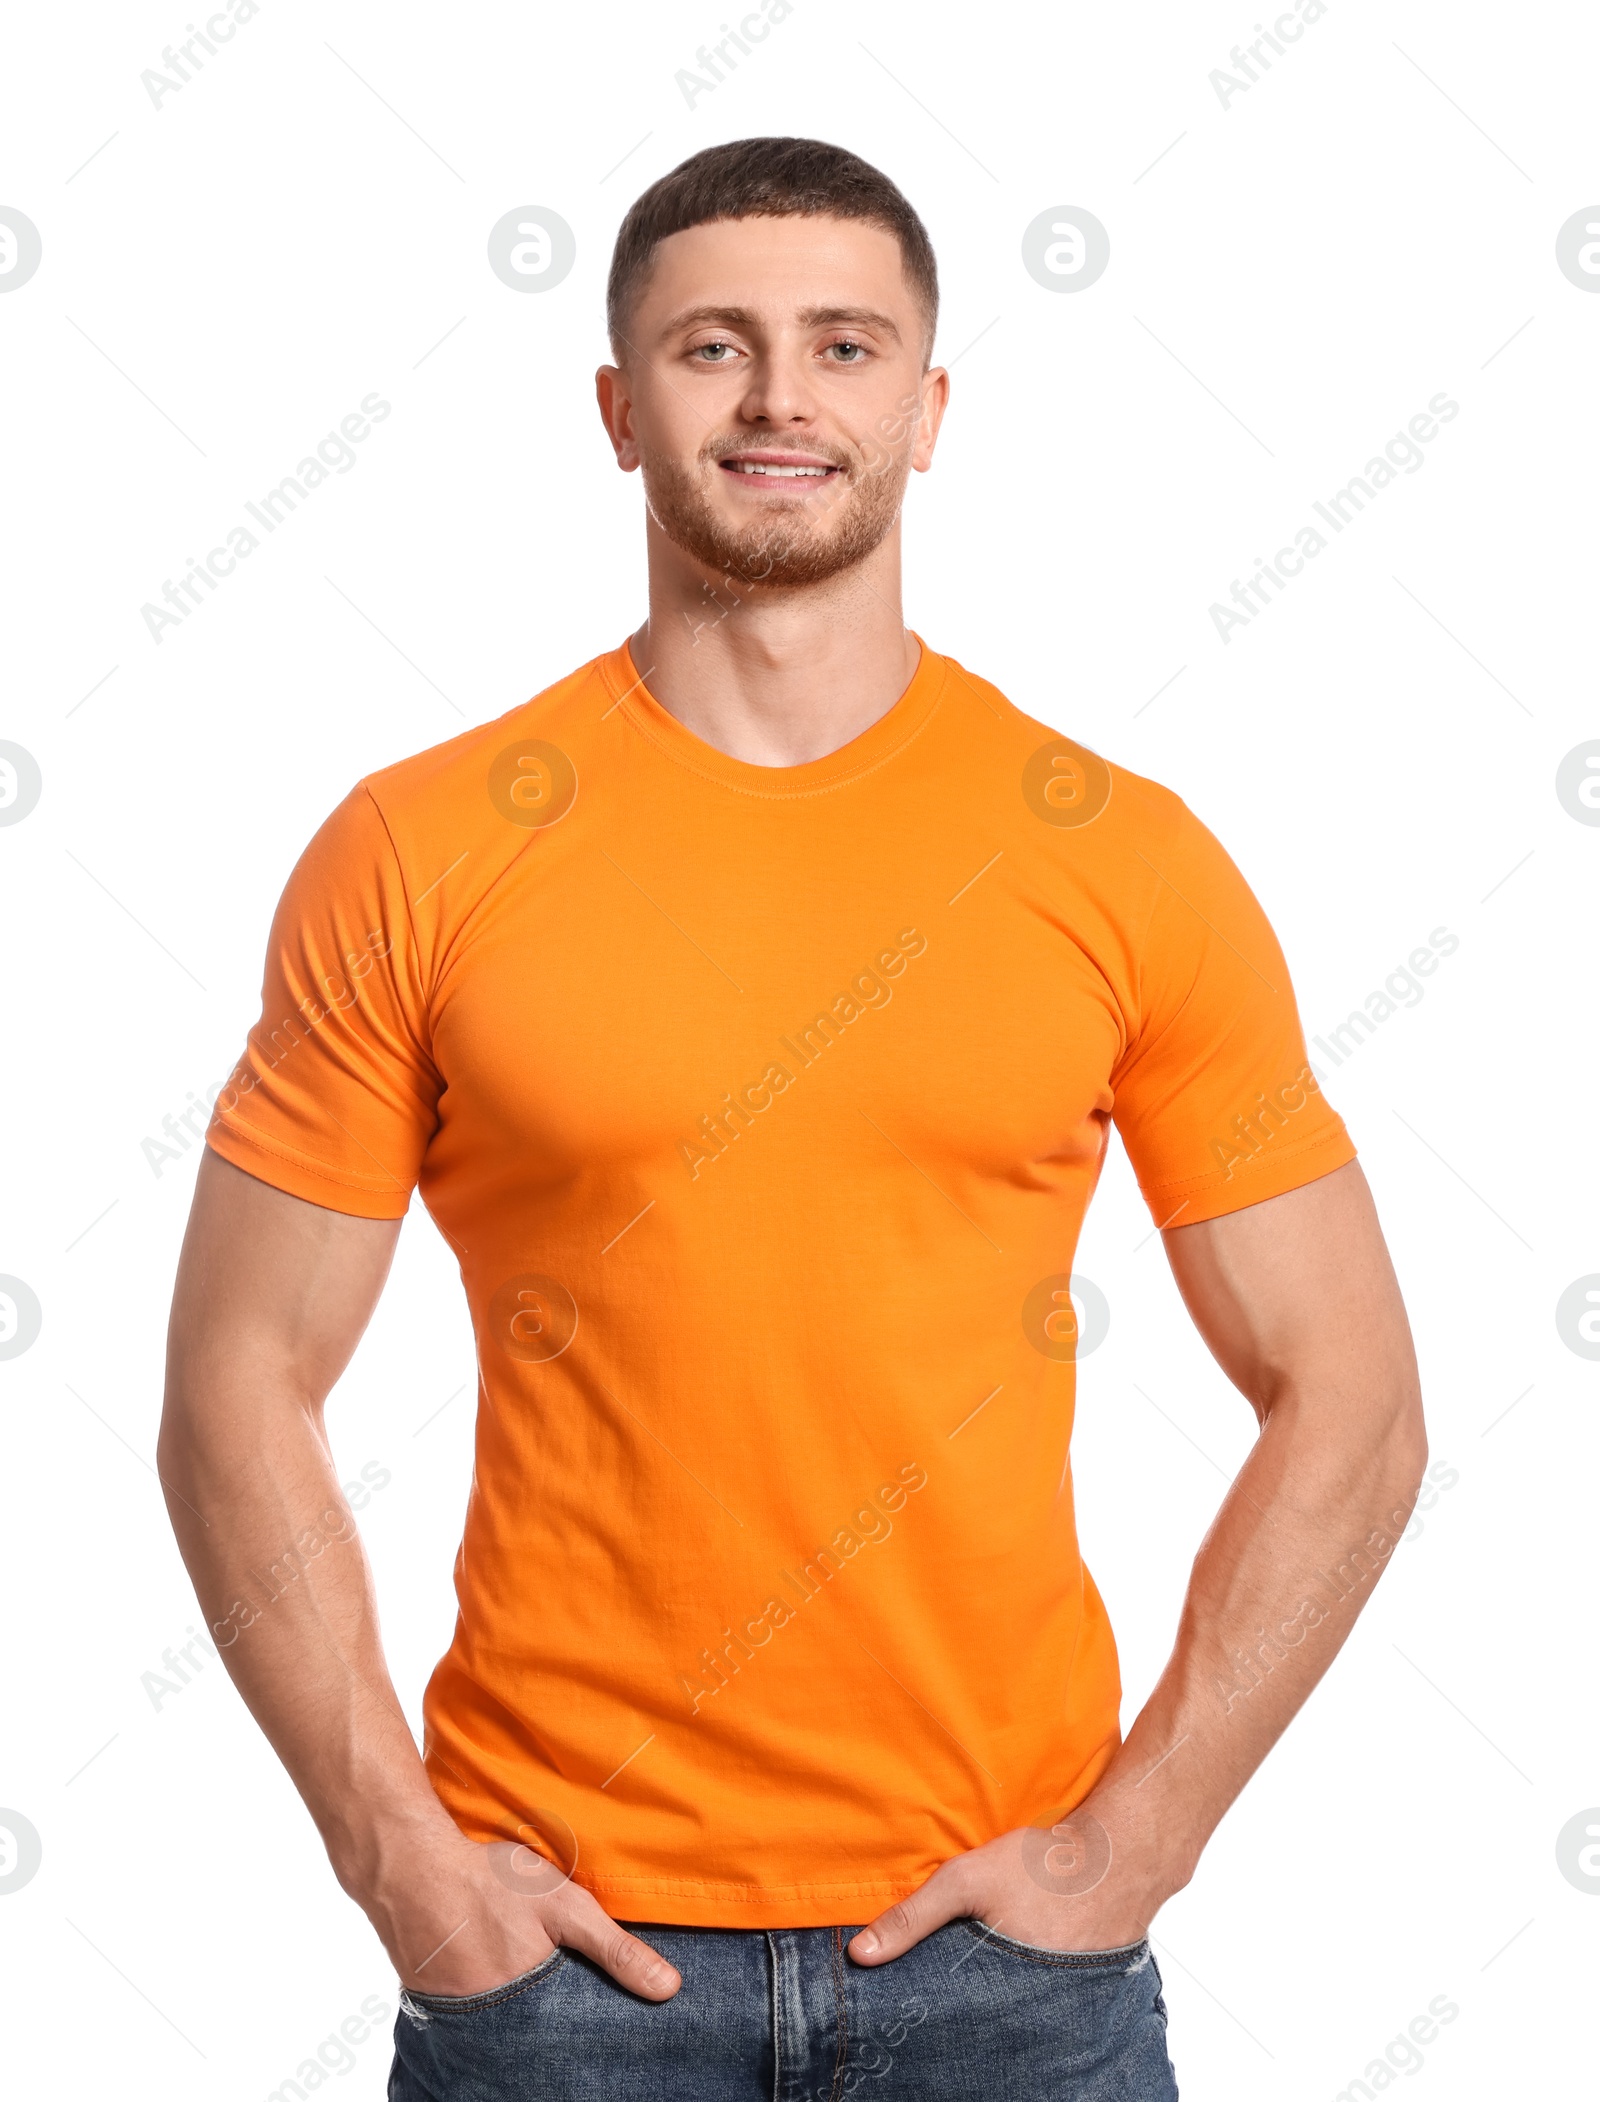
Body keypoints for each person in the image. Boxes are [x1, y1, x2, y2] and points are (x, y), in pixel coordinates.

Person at [159, 136, 1427, 2101]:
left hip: (1011, 1975)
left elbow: (1345, 1383)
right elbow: (240, 1374)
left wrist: (1135, 1840)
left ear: (925, 410)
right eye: (709, 347)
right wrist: (403, 1864)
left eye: (841, 346)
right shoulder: (415, 849)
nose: (776, 400)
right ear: (614, 407)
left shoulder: (1116, 860)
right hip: (557, 1970)